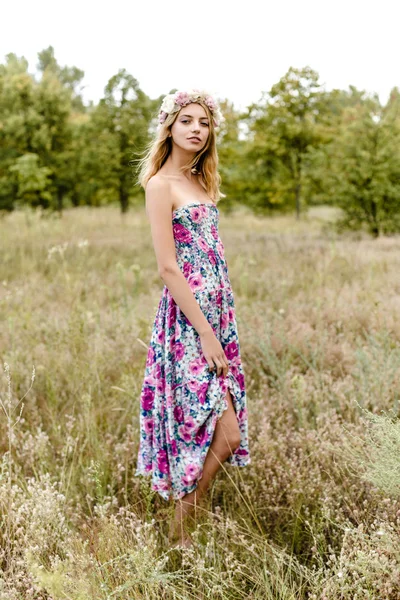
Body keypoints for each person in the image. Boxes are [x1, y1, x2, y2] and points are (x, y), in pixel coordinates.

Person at [134, 88, 251, 548]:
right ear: (170, 126)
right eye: (187, 120)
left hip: (217, 317)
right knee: (224, 431)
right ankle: (181, 531)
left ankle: (183, 528)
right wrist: (204, 332)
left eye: (203, 122)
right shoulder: (160, 185)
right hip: (188, 324)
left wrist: (220, 325)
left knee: (223, 432)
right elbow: (168, 266)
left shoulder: (201, 183)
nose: (197, 129)